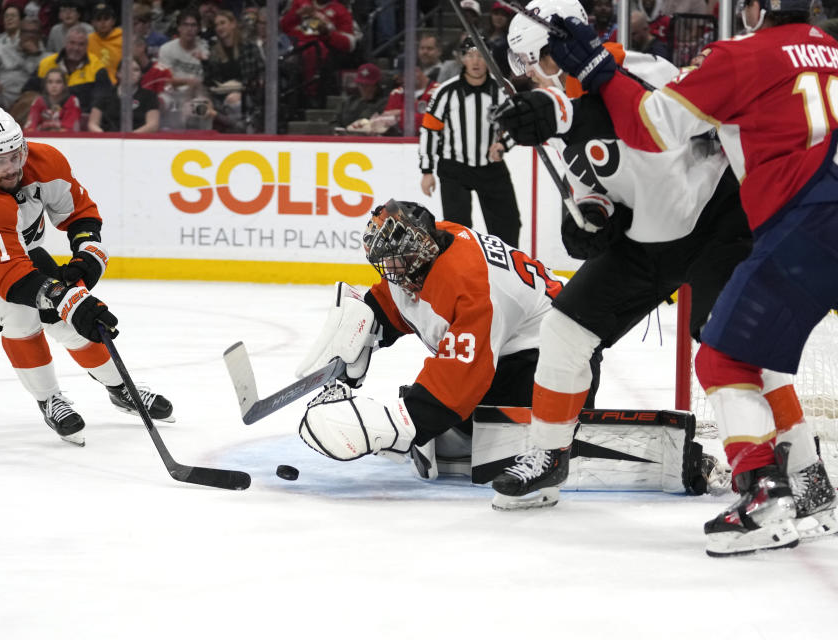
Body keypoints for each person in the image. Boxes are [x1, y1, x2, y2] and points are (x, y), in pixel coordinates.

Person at [538, 0, 837, 555]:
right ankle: (812, 487)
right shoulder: (832, 53)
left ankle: (764, 496)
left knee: (723, 356)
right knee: (748, 353)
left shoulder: (744, 56)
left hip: (798, 224)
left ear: (756, 9)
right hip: (816, 223)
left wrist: (600, 73)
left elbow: (652, 126)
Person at [489, 0, 755, 517]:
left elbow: (653, 134)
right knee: (565, 328)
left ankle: (766, 471)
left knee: (727, 347)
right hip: (649, 238)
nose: (537, 81)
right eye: (527, 73)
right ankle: (547, 453)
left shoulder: (643, 70)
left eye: (540, 64)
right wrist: (587, 224)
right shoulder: (557, 114)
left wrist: (564, 118)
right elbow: (594, 192)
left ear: (565, 47)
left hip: (716, 220)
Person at [0, 107, 173, 446]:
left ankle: (120, 388)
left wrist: (88, 257)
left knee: (67, 317)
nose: (12, 167)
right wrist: (68, 298)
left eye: (16, 155)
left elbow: (80, 213)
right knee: (20, 313)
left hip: (18, 249)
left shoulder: (45, 161)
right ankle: (49, 398)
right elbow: (12, 277)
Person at [297, 199, 597, 476]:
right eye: (386, 263)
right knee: (451, 419)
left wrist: (398, 424)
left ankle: (555, 433)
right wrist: (364, 326)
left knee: (457, 417)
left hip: (556, 362)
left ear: (420, 251)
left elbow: (460, 378)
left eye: (395, 263)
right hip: (516, 347)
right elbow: (404, 301)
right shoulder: (434, 243)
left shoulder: (471, 289)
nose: (390, 272)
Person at [419, 36, 522, 248]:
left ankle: (506, 274)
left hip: (491, 167)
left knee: (508, 224)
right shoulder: (446, 92)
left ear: (489, 58)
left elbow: (518, 124)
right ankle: (462, 273)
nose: (475, 61)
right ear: (461, 59)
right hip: (454, 168)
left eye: (481, 55)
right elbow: (430, 130)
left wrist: (504, 144)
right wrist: (427, 171)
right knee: (457, 230)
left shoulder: (502, 90)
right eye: (470, 55)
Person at [204, 8, 264, 133]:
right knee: (199, 105)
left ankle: (236, 132)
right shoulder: (214, 52)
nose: (219, 27)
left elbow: (260, 74)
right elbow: (209, 81)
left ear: (233, 24)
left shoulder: (249, 48)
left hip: (247, 95)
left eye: (223, 23)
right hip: (220, 96)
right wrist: (203, 62)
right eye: (216, 25)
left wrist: (243, 89)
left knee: (234, 101)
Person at [30, 24, 112, 113]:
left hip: (82, 119)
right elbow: (28, 91)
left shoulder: (97, 67)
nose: (76, 48)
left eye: (81, 44)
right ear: (65, 43)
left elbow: (101, 100)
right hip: (46, 117)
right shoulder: (46, 64)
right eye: (72, 43)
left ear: (87, 46)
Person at [87, 57, 160, 132]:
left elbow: (153, 125)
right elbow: (92, 124)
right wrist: (106, 137)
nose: (130, 72)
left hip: (138, 140)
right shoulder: (104, 95)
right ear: (118, 73)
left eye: (136, 70)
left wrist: (131, 137)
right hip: (107, 140)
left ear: (141, 74)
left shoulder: (149, 96)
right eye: (126, 69)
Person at [0, 16, 45, 109]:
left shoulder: (45, 57)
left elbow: (38, 80)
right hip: (2, 94)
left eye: (34, 32)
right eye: (26, 32)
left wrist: (34, 55)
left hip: (27, 98)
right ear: (20, 33)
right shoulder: (3, 49)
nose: (30, 36)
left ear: (40, 35)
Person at [23, 67, 81, 131]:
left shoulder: (72, 101)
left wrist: (44, 126)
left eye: (58, 82)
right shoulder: (38, 101)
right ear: (45, 85)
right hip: (42, 139)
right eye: (50, 82)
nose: (54, 86)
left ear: (64, 85)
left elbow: (70, 129)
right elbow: (30, 128)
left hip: (65, 139)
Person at [332, 62, 387, 129]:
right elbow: (334, 122)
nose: (363, 88)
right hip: (345, 138)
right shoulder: (348, 102)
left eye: (367, 85)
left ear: (376, 86)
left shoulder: (384, 104)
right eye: (360, 84)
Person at [87, 2, 122, 84]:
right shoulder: (88, 40)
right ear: (92, 23)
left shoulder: (123, 38)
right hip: (94, 84)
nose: (102, 22)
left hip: (119, 84)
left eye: (106, 18)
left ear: (113, 21)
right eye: (98, 19)